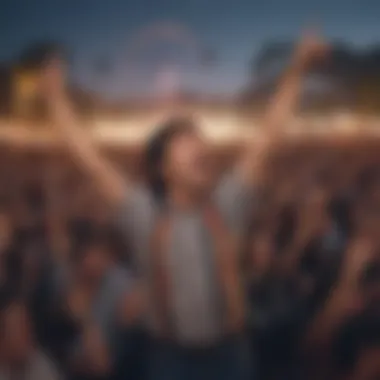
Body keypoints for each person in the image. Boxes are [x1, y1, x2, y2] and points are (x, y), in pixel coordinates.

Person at [39, 32, 326, 380]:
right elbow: (90, 160)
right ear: (163, 167)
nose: (201, 146)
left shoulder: (228, 204)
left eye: (201, 140)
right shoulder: (143, 214)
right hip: (169, 360)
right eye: (186, 141)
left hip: (231, 354)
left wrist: (297, 69)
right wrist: (56, 100)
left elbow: (269, 136)